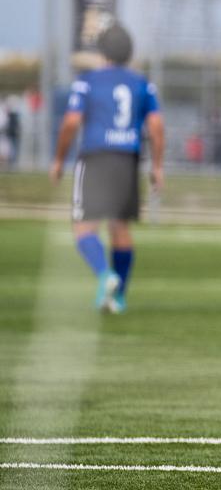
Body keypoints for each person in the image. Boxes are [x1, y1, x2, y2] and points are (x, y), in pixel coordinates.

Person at [49, 23, 165, 314]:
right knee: (120, 227)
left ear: (102, 52)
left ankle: (105, 274)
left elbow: (72, 122)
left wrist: (59, 159)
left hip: (96, 156)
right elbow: (156, 125)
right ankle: (119, 298)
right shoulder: (142, 83)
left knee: (83, 228)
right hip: (127, 158)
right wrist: (158, 166)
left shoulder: (87, 81)